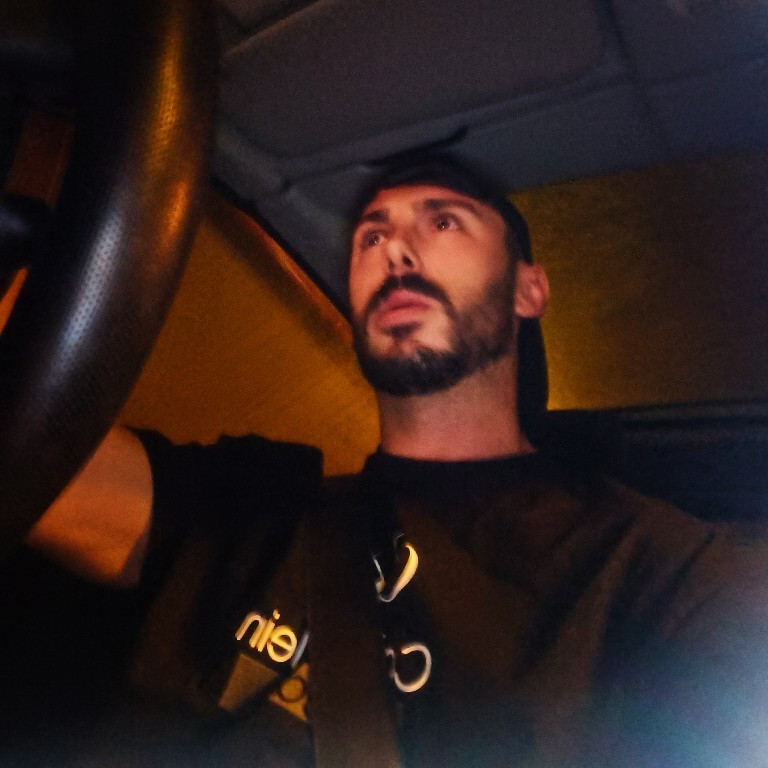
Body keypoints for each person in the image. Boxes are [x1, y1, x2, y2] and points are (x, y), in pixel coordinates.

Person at [11, 157, 768, 767]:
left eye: (442, 221)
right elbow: (34, 469)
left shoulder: (657, 570)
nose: (394, 250)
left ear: (528, 289)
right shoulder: (258, 499)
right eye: (370, 237)